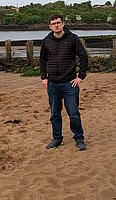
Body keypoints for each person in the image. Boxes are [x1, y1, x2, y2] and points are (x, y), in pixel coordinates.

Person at [40, 14, 88, 151]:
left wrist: (81, 76)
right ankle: (57, 138)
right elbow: (42, 60)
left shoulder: (73, 39)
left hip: (70, 84)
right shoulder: (46, 41)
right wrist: (44, 78)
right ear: (50, 26)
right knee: (55, 113)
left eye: (58, 22)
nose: (56, 25)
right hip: (53, 84)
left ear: (63, 24)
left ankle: (79, 138)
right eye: (53, 23)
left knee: (73, 113)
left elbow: (83, 57)